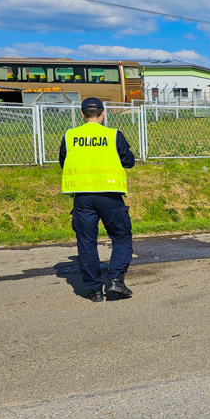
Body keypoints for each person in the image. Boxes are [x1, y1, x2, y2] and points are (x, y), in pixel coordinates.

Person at [59, 97, 135, 302]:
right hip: (110, 195)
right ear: (103, 113)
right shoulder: (113, 135)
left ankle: (95, 291)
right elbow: (129, 161)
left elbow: (63, 161)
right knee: (121, 236)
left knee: (86, 242)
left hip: (82, 197)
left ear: (82, 115)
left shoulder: (70, 135)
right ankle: (115, 281)